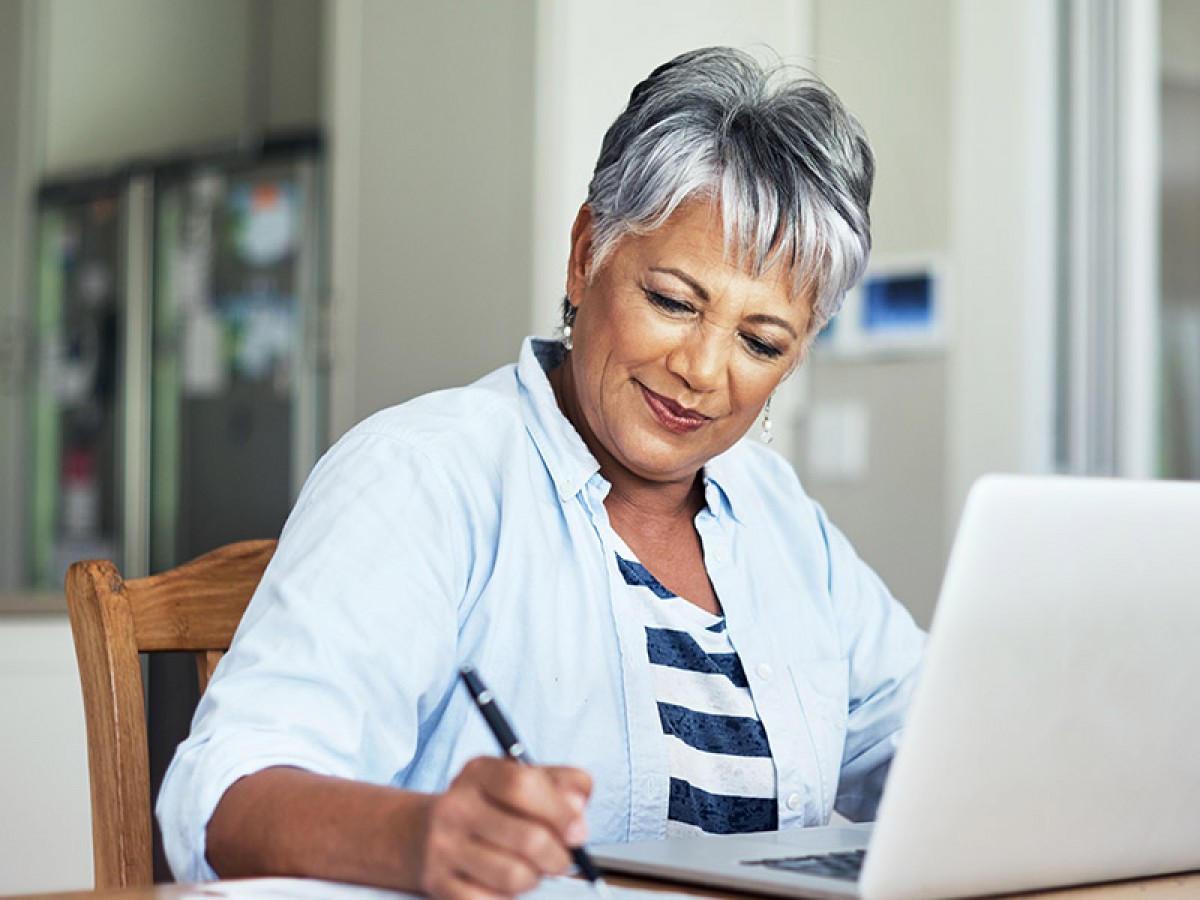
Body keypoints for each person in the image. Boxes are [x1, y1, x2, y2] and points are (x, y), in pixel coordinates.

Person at [158, 46, 925, 899]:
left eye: (761, 342)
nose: (704, 370)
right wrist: (421, 838)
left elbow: (936, 745)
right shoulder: (426, 477)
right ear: (586, 252)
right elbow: (220, 799)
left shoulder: (779, 516)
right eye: (674, 300)